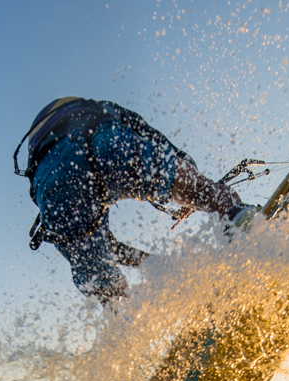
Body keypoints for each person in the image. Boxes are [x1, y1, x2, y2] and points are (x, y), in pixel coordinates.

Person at [14, 97, 244, 304]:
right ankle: (245, 223)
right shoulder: (103, 108)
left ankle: (123, 330)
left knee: (110, 295)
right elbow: (151, 136)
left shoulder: (46, 167)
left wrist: (157, 265)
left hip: (52, 188)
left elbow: (109, 249)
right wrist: (189, 177)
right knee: (212, 197)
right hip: (100, 140)